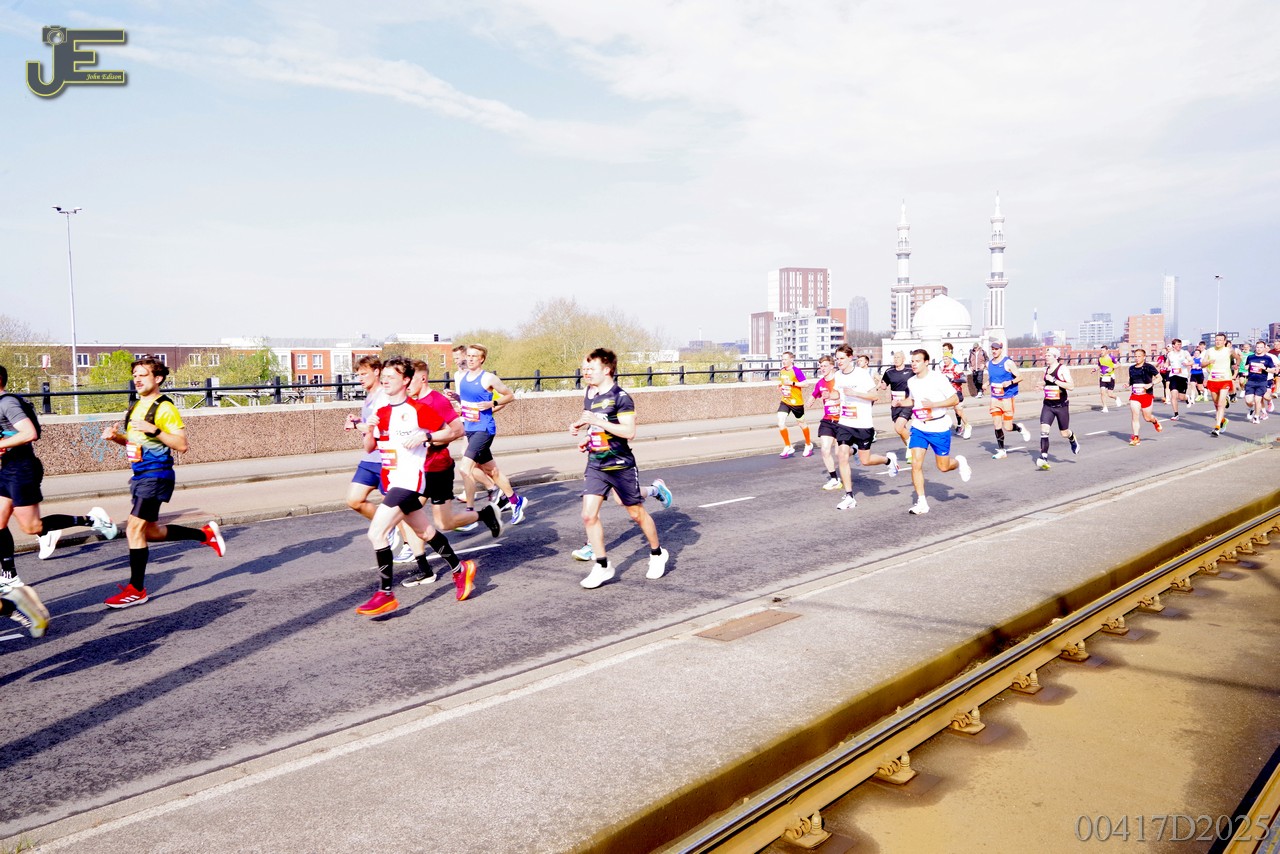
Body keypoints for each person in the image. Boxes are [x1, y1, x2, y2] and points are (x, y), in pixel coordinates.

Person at [358, 357, 494, 614]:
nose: (385, 380)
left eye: (390, 377)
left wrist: (427, 435)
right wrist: (369, 430)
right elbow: (369, 447)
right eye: (383, 377)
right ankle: (460, 569)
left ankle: (385, 593)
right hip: (392, 481)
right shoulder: (383, 412)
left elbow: (455, 430)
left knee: (376, 533)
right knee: (425, 532)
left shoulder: (417, 409)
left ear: (405, 380)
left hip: (410, 481)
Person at [99, 357, 226, 608]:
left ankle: (136, 590)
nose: (137, 380)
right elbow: (136, 442)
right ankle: (205, 534)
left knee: (134, 529)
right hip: (140, 475)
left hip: (156, 475)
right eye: (135, 375)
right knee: (151, 532)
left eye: (143, 375)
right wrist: (116, 438)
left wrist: (154, 429)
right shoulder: (136, 406)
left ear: (157, 379)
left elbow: (182, 445)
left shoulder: (164, 408)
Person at [0, 367, 116, 633]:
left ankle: (92, 519)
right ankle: (10, 576)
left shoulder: (6, 403)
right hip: (8, 469)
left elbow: (29, 433)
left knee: (32, 527)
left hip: (22, 470)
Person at [571, 348, 669, 589]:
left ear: (607, 370)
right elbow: (598, 428)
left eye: (591, 368)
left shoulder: (621, 397)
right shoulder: (591, 394)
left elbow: (628, 432)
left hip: (620, 465)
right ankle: (602, 565)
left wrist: (597, 421)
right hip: (596, 463)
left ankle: (657, 554)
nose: (586, 372)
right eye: (584, 368)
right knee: (588, 515)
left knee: (635, 513)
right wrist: (587, 437)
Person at [344, 355, 411, 563]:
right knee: (354, 500)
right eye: (358, 375)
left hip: (385, 459)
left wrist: (357, 425)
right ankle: (387, 528)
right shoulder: (369, 396)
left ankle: (409, 545)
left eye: (364, 374)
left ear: (376, 372)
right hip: (370, 458)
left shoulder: (384, 396)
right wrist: (359, 420)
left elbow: (379, 428)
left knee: (393, 505)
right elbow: (369, 424)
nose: (360, 378)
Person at [457, 344, 528, 524]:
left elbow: (510, 395)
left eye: (474, 356)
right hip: (470, 428)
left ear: (482, 359)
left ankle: (470, 514)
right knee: (492, 470)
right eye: (469, 355)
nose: (470, 359)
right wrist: (457, 401)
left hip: (484, 429)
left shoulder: (488, 378)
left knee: (465, 468)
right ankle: (515, 501)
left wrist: (492, 403)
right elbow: (468, 403)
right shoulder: (463, 377)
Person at [824, 348, 898, 510]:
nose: (839, 362)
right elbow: (839, 394)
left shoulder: (861, 374)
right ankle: (849, 496)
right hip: (845, 422)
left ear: (850, 358)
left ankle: (888, 460)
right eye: (837, 359)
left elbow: (874, 396)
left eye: (842, 358)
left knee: (866, 461)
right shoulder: (838, 375)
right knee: (841, 455)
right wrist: (830, 396)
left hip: (863, 424)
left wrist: (855, 393)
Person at [902, 349, 970, 515]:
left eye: (917, 361)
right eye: (912, 361)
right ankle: (922, 502)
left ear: (926, 362)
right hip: (919, 426)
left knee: (943, 467)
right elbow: (913, 400)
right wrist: (900, 403)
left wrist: (934, 404)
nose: (914, 364)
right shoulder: (911, 381)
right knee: (916, 464)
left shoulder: (938, 378)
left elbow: (955, 399)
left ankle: (959, 462)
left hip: (938, 427)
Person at [1035, 348, 1080, 470]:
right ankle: (1044, 457)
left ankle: (1072, 437)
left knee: (1064, 433)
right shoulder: (1046, 369)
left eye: (1048, 355)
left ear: (1055, 357)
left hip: (1061, 406)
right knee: (1044, 430)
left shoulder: (1062, 369)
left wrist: (1054, 380)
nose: (1046, 357)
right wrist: (1042, 386)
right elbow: (1048, 383)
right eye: (1045, 355)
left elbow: (1071, 386)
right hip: (1048, 405)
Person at [985, 342, 1031, 459]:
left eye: (996, 349)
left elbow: (1020, 377)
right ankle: (1002, 451)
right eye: (992, 349)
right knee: (996, 424)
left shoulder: (1008, 362)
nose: (994, 351)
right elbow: (993, 378)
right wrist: (986, 383)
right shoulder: (989, 364)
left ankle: (1019, 428)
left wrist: (1010, 382)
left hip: (1007, 398)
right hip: (995, 398)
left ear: (1001, 349)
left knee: (1008, 427)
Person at [812, 355, 842, 490]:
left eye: (825, 366)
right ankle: (834, 479)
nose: (822, 368)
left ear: (831, 366)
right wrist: (811, 399)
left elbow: (843, 396)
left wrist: (831, 396)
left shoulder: (839, 380)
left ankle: (853, 449)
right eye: (821, 366)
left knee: (839, 453)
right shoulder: (820, 383)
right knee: (825, 450)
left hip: (842, 420)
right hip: (827, 420)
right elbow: (815, 393)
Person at [775, 351, 812, 458]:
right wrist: (780, 386)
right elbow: (782, 382)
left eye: (786, 359)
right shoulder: (782, 371)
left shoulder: (796, 371)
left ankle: (808, 444)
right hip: (785, 401)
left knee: (801, 423)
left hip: (797, 403)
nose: (783, 361)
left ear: (792, 360)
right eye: (782, 359)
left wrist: (792, 383)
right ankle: (788, 446)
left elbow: (806, 384)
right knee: (780, 421)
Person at [1125, 349, 1163, 445]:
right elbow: (1132, 380)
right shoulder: (1131, 368)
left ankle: (1155, 421)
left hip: (1146, 395)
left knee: (1147, 418)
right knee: (1135, 415)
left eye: (1139, 356)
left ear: (1144, 357)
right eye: (1135, 356)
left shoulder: (1149, 367)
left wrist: (1151, 384)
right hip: (1135, 395)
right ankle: (1136, 437)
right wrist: (1128, 384)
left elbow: (1159, 378)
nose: (1137, 358)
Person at [1201, 333, 1236, 436]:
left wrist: (1236, 366)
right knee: (1216, 404)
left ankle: (1217, 427)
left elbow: (1238, 358)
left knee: (1220, 404)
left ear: (1224, 341)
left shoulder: (1229, 350)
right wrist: (1208, 362)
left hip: (1225, 379)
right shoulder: (1209, 351)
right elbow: (1202, 364)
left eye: (1220, 340)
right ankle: (1223, 420)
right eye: (1216, 340)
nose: (1218, 341)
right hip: (1213, 380)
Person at [878, 350, 914, 447]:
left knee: (898, 427)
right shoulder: (889, 371)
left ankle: (912, 445)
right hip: (895, 404)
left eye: (898, 357)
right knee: (901, 430)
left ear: (904, 359)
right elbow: (884, 386)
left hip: (907, 403)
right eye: (895, 357)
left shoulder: (910, 370)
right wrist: (880, 381)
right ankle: (909, 449)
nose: (896, 359)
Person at [939, 343, 973, 440]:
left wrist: (952, 379)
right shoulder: (943, 368)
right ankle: (941, 429)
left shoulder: (955, 367)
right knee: (940, 409)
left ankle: (967, 425)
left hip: (956, 392)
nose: (945, 361)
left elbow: (964, 379)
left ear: (950, 358)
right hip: (946, 393)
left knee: (958, 410)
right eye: (944, 359)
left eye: (946, 359)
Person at [1242, 341, 1277, 424]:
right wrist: (1246, 367)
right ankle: (1251, 409)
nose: (1259, 349)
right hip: (1251, 381)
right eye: (1257, 347)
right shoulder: (1250, 357)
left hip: (1262, 382)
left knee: (1258, 400)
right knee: (1248, 401)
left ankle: (1256, 417)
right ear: (1255, 347)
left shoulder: (1268, 358)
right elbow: (1247, 366)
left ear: (1264, 348)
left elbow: (1273, 370)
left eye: (1261, 347)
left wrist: (1264, 368)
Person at [1164, 339, 1192, 420]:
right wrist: (1165, 366)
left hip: (1183, 376)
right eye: (1178, 344)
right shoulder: (1170, 354)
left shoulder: (1185, 353)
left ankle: (1187, 398)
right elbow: (1167, 363)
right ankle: (1176, 414)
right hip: (1173, 376)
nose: (1179, 346)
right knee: (1173, 395)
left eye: (1180, 344)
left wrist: (1187, 364)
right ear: (1173, 345)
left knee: (1181, 397)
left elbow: (1192, 361)